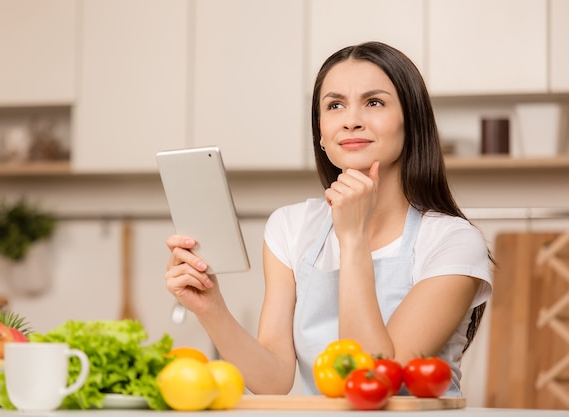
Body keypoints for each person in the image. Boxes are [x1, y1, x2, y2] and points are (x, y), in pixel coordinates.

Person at [165, 41, 493, 397]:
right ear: (321, 132)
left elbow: (374, 379)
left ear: (410, 121)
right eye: (335, 105)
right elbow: (272, 381)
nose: (351, 120)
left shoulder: (453, 242)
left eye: (374, 102)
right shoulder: (289, 227)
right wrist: (211, 308)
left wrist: (352, 240)